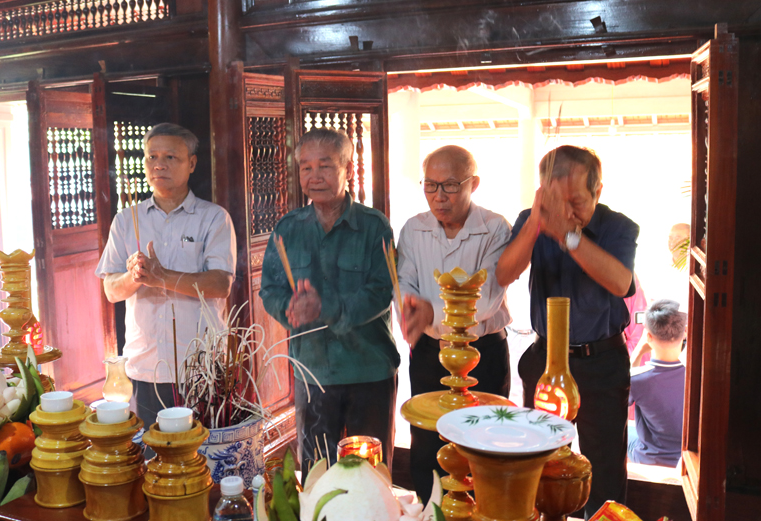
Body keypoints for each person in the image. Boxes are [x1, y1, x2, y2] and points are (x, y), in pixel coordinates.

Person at [496, 145, 639, 518]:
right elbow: (504, 274)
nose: (568, 210)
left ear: (598, 191)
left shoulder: (617, 227)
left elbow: (622, 282)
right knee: (539, 460)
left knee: (603, 466)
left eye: (577, 201)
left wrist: (569, 235)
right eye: (557, 200)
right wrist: (536, 224)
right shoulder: (532, 219)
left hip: (600, 362)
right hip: (544, 360)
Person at [259, 128, 400, 474]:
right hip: (314, 371)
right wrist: (289, 309)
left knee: (371, 473)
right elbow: (270, 289)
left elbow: (382, 291)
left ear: (347, 170)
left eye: (324, 165)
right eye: (306, 168)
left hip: (368, 368)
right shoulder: (287, 229)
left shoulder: (374, 226)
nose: (314, 176)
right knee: (317, 471)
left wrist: (324, 307)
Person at [95, 123, 237, 431]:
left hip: (200, 366)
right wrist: (135, 276)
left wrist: (162, 277)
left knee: (201, 459)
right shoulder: (125, 220)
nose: (159, 164)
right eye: (152, 156)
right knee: (154, 462)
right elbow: (110, 290)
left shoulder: (213, 218)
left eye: (171, 157)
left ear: (192, 163)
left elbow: (220, 285)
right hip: (146, 365)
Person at [397, 145, 512, 502]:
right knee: (427, 445)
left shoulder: (494, 228)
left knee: (484, 444)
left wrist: (432, 313)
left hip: (484, 353)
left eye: (449, 185)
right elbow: (405, 283)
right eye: (430, 186)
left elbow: (488, 299)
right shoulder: (414, 229)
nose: (439, 196)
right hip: (431, 353)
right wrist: (412, 307)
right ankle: (431, 510)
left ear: (473, 183)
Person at [628, 299, 686, 468]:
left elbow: (626, 386)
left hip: (650, 456)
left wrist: (638, 351)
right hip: (684, 457)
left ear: (648, 337)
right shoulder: (694, 376)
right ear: (685, 334)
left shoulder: (638, 379)